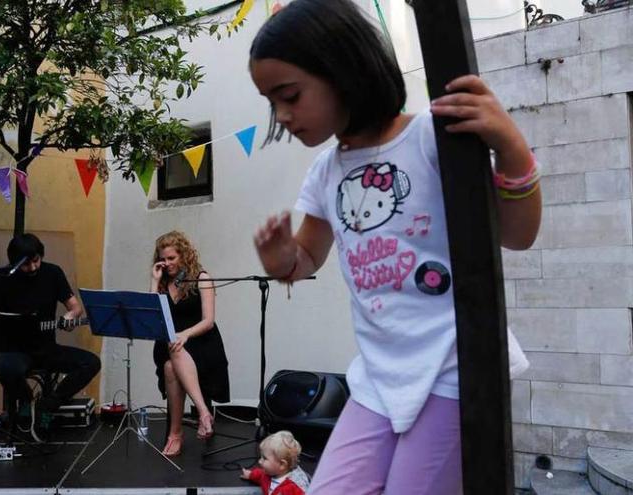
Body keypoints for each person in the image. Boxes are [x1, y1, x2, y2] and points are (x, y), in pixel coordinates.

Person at [248, 0, 541, 493]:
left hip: (452, 369)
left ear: (342, 69)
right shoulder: (325, 172)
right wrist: (279, 258)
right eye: (271, 102)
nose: (282, 114)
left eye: (290, 95)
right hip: (379, 378)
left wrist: (510, 146)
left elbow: (518, 234)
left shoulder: (432, 137)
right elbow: (305, 259)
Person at [0, 233, 101, 416]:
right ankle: (28, 405)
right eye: (26, 264)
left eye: (36, 260)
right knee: (5, 368)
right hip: (15, 351)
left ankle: (48, 404)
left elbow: (75, 308)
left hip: (46, 348)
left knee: (90, 363)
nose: (33, 267)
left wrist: (70, 316)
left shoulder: (53, 273)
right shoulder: (3, 277)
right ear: (15, 263)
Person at [150, 230, 229, 456]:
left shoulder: (201, 278)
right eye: (163, 259)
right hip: (172, 346)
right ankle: (203, 414)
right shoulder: (164, 283)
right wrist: (154, 281)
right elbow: (152, 315)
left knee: (171, 359)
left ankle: (177, 433)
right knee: (170, 359)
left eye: (171, 258)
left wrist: (184, 334)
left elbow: (208, 322)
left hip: (201, 343)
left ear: (184, 256)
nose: (167, 263)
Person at [241, 430, 310, 495]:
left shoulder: (295, 488)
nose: (259, 461)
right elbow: (260, 475)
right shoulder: (271, 473)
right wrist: (251, 475)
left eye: (265, 458)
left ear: (282, 464)